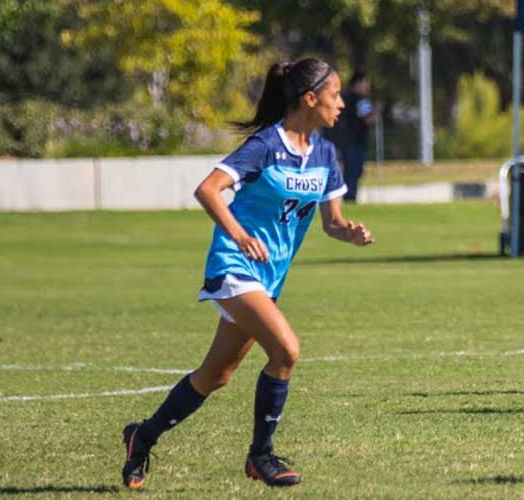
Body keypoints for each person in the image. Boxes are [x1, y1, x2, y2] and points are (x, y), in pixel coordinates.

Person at [119, 58, 374, 490]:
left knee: (214, 376)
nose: (343, 103)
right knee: (287, 351)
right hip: (235, 269)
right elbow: (208, 190)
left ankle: (141, 437)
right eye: (335, 94)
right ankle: (261, 456)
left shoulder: (327, 154)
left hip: (267, 280)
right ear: (310, 99)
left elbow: (332, 221)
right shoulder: (265, 146)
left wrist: (348, 232)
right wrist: (238, 235)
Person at [323, 73, 378, 202]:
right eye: (365, 82)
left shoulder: (342, 98)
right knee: (353, 171)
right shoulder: (361, 100)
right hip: (356, 141)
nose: (367, 86)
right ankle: (350, 198)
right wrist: (377, 111)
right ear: (357, 83)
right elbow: (368, 119)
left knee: (346, 170)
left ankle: (346, 197)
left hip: (342, 140)